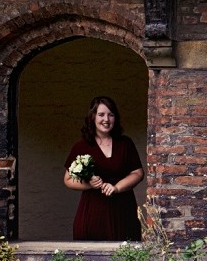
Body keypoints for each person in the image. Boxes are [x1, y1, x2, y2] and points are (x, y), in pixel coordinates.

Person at [62, 96, 145, 241]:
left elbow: (138, 173)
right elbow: (68, 179)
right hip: (93, 213)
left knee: (127, 256)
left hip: (123, 211)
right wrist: (89, 184)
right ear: (92, 117)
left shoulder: (125, 143)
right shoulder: (81, 146)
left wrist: (117, 188)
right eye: (101, 114)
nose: (106, 119)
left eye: (110, 115)